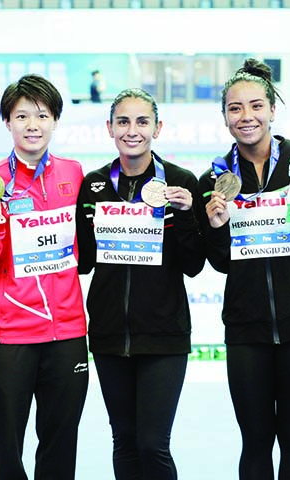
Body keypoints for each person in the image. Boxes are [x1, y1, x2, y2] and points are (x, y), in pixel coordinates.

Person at [198, 58, 290, 479]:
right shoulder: (214, 177)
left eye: (255, 106)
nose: (246, 117)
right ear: (225, 116)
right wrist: (214, 227)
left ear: (272, 109)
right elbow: (221, 262)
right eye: (235, 108)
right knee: (256, 442)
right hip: (247, 329)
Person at [75, 88, 205, 479]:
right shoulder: (95, 184)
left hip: (164, 336)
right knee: (125, 442)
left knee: (153, 444)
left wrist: (183, 215)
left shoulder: (180, 182)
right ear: (110, 128)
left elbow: (194, 264)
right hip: (110, 335)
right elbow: (84, 262)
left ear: (158, 128)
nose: (133, 131)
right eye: (124, 121)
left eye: (142, 121)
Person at [0, 74, 88, 480]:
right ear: (7, 122)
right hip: (9, 334)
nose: (32, 124)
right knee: (6, 448)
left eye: (42, 115)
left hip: (67, 332)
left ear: (55, 120)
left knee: (59, 445)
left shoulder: (75, 174)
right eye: (21, 116)